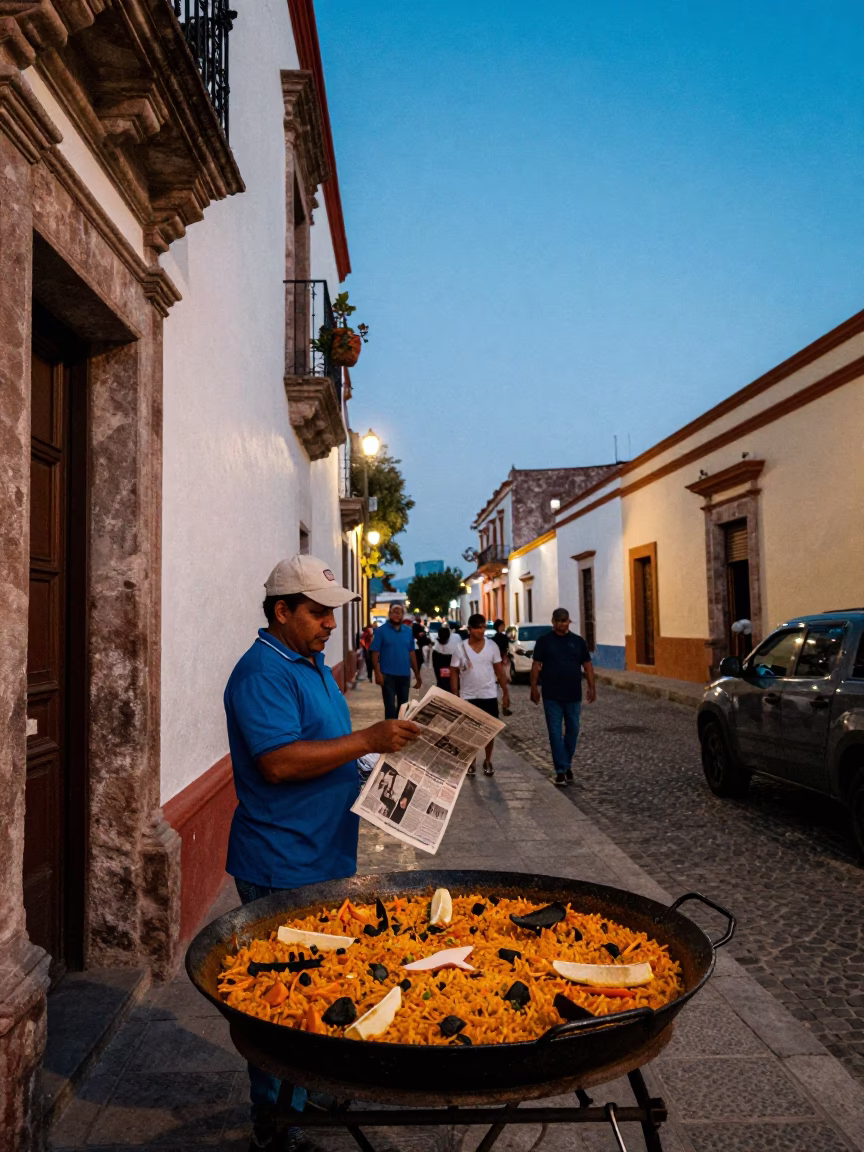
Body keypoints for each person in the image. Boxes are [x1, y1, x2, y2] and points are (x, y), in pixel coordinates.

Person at [223, 555, 419, 1150]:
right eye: (316, 613)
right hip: (282, 861)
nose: (329, 624)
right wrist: (366, 738)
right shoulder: (263, 672)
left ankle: (304, 1095)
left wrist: (372, 766)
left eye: (332, 613)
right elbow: (279, 762)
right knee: (281, 997)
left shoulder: (308, 664)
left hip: (323, 855)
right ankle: (277, 1122)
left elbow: (326, 748)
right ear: (281, 611)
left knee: (320, 984)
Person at [530, 607, 596, 786]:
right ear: (553, 622)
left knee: (573, 730)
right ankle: (561, 770)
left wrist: (592, 686)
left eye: (564, 620)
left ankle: (565, 764)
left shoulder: (578, 642)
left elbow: (587, 665)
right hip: (551, 695)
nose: (561, 624)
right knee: (554, 732)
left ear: (569, 621)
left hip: (573, 694)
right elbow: (536, 665)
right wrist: (534, 687)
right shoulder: (544, 641)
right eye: (558, 621)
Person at [449, 612, 510, 777]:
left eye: (483, 627)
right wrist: (455, 692)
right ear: (470, 629)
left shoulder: (492, 646)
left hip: (488, 694)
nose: (481, 630)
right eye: (478, 627)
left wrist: (505, 692)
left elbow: (499, 671)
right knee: (469, 731)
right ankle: (471, 761)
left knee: (489, 730)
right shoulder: (460, 648)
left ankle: (488, 760)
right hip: (467, 695)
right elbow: (453, 671)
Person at [370, 603, 422, 718]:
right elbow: (375, 653)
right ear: (389, 614)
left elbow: (412, 653)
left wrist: (417, 674)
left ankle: (400, 731)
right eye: (394, 612)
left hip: (404, 675)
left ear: (403, 615)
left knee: (403, 707)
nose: (397, 615)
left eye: (399, 612)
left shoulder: (408, 631)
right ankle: (390, 732)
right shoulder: (381, 631)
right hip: (387, 676)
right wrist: (377, 673)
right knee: (389, 707)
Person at [429, 625, 461, 691]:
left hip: (453, 657)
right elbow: (436, 664)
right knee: (442, 681)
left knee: (454, 679)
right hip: (440, 658)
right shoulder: (437, 643)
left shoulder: (456, 638)